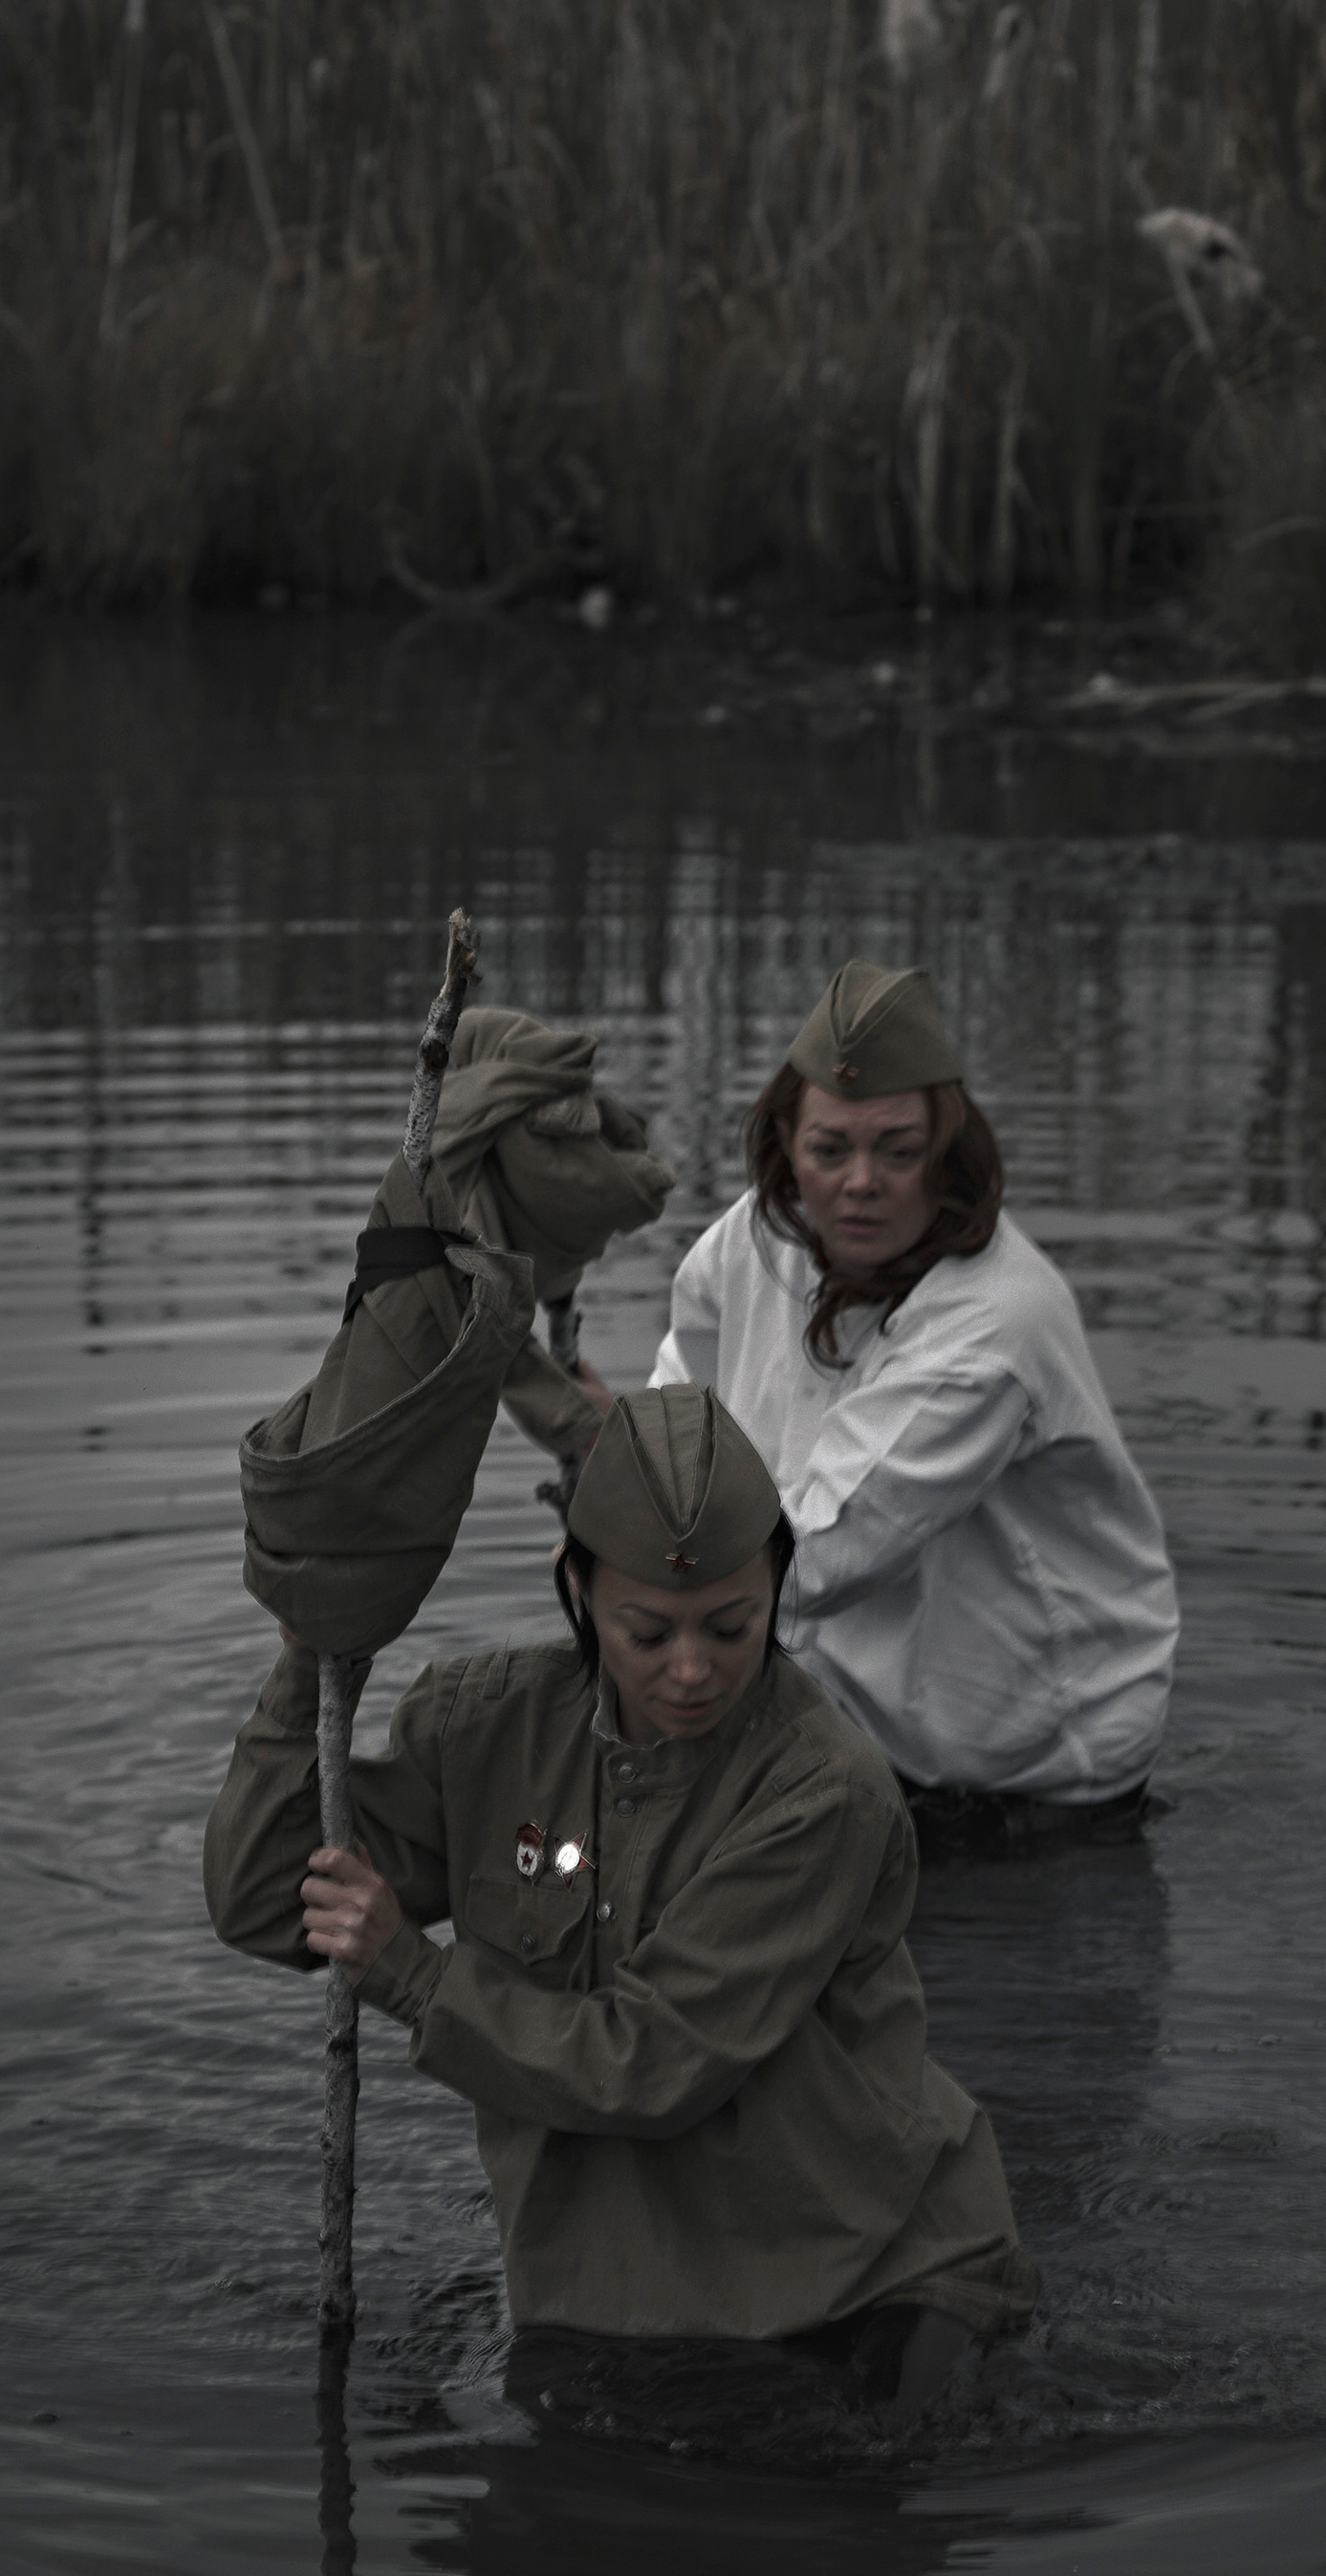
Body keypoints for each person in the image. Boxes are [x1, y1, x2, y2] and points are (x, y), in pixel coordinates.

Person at [204, 1382, 1037, 2415]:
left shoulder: (821, 1791)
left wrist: (415, 1980)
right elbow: (261, 1902)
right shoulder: (482, 1728)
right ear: (578, 1590)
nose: (692, 1670)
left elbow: (653, 2062)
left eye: (732, 1626)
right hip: (601, 2299)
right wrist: (309, 1663)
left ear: (778, 1586)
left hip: (865, 2282)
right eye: (647, 1632)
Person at [646, 960, 1177, 1832]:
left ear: (947, 1148)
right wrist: (609, 1486)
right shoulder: (747, 1243)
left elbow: (813, 1557)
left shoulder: (995, 1325)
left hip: (1034, 1779)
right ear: (786, 1141)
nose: (860, 1181)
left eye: (897, 1150)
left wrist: (622, 1572)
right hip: (857, 1739)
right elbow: (674, 1425)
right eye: (830, 1150)